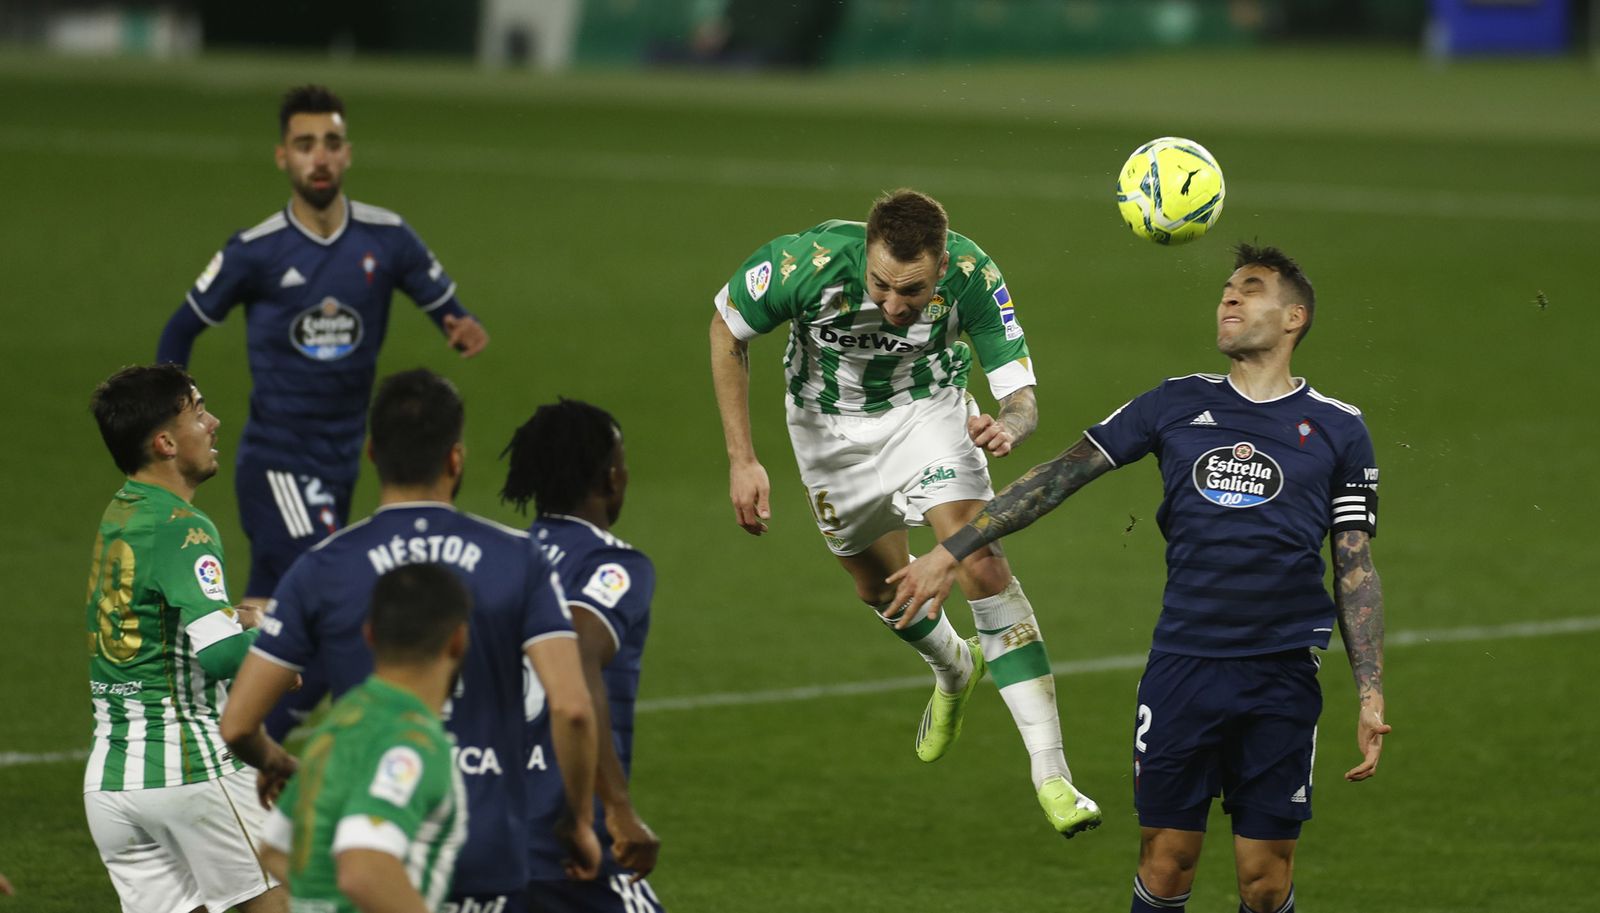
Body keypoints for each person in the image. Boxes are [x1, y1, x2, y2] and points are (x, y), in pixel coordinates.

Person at [890, 244, 1390, 913]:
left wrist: (1370, 691)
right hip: (1185, 667)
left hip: (1281, 678)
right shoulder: (1174, 403)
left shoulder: (1338, 428)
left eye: (1250, 289)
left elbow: (1354, 564)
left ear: (1294, 316)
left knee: (1264, 880)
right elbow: (1059, 476)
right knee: (1166, 861)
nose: (1229, 299)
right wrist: (953, 549)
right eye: (1225, 290)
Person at [708, 188, 1100, 836]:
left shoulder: (974, 276)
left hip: (928, 415)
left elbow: (1021, 396)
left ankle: (1052, 773)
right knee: (877, 587)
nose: (893, 304)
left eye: (912, 291)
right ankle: (954, 666)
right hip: (824, 432)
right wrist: (742, 458)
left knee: (980, 561)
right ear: (866, 252)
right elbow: (727, 326)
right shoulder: (805, 262)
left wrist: (1009, 425)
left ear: (940, 266)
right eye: (882, 284)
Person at [155, 84, 490, 745]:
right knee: (340, 600)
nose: (320, 157)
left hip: (341, 463)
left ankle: (213, 731)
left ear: (348, 153)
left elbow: (443, 300)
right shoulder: (255, 250)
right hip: (278, 461)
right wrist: (181, 421)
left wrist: (459, 324)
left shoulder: (386, 238)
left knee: (274, 614)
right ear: (283, 157)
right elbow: (178, 331)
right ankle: (285, 744)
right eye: (306, 145)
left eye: (332, 143)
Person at [220, 369, 600, 910]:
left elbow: (237, 724)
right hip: (485, 852)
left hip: (372, 846)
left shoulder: (322, 568)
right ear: (456, 458)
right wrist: (578, 820)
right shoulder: (519, 559)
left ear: (371, 453)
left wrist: (278, 763)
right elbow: (573, 707)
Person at [82, 364, 286, 913]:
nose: (214, 422)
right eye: (198, 411)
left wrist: (240, 616)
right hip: (190, 770)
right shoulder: (185, 527)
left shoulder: (121, 514)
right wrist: (284, 655)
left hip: (113, 782)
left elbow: (160, 619)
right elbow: (221, 656)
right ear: (166, 441)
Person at [501, 400, 666, 912]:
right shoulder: (612, 566)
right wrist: (617, 808)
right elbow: (573, 654)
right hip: (571, 834)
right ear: (610, 478)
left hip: (487, 830)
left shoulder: (498, 559)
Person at [258, 563, 473, 912]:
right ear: (458, 640)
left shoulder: (340, 722)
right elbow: (363, 870)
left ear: (370, 635)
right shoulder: (413, 742)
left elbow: (275, 849)